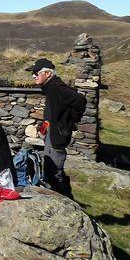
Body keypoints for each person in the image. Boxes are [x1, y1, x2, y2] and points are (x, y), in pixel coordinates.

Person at [27, 58, 86, 198]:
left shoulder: (56, 87)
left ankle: (64, 201)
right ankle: (65, 199)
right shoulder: (50, 87)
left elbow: (80, 100)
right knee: (51, 169)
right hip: (53, 133)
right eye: (33, 73)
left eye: (36, 73)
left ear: (48, 73)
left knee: (54, 171)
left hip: (57, 135)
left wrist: (69, 121)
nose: (33, 76)